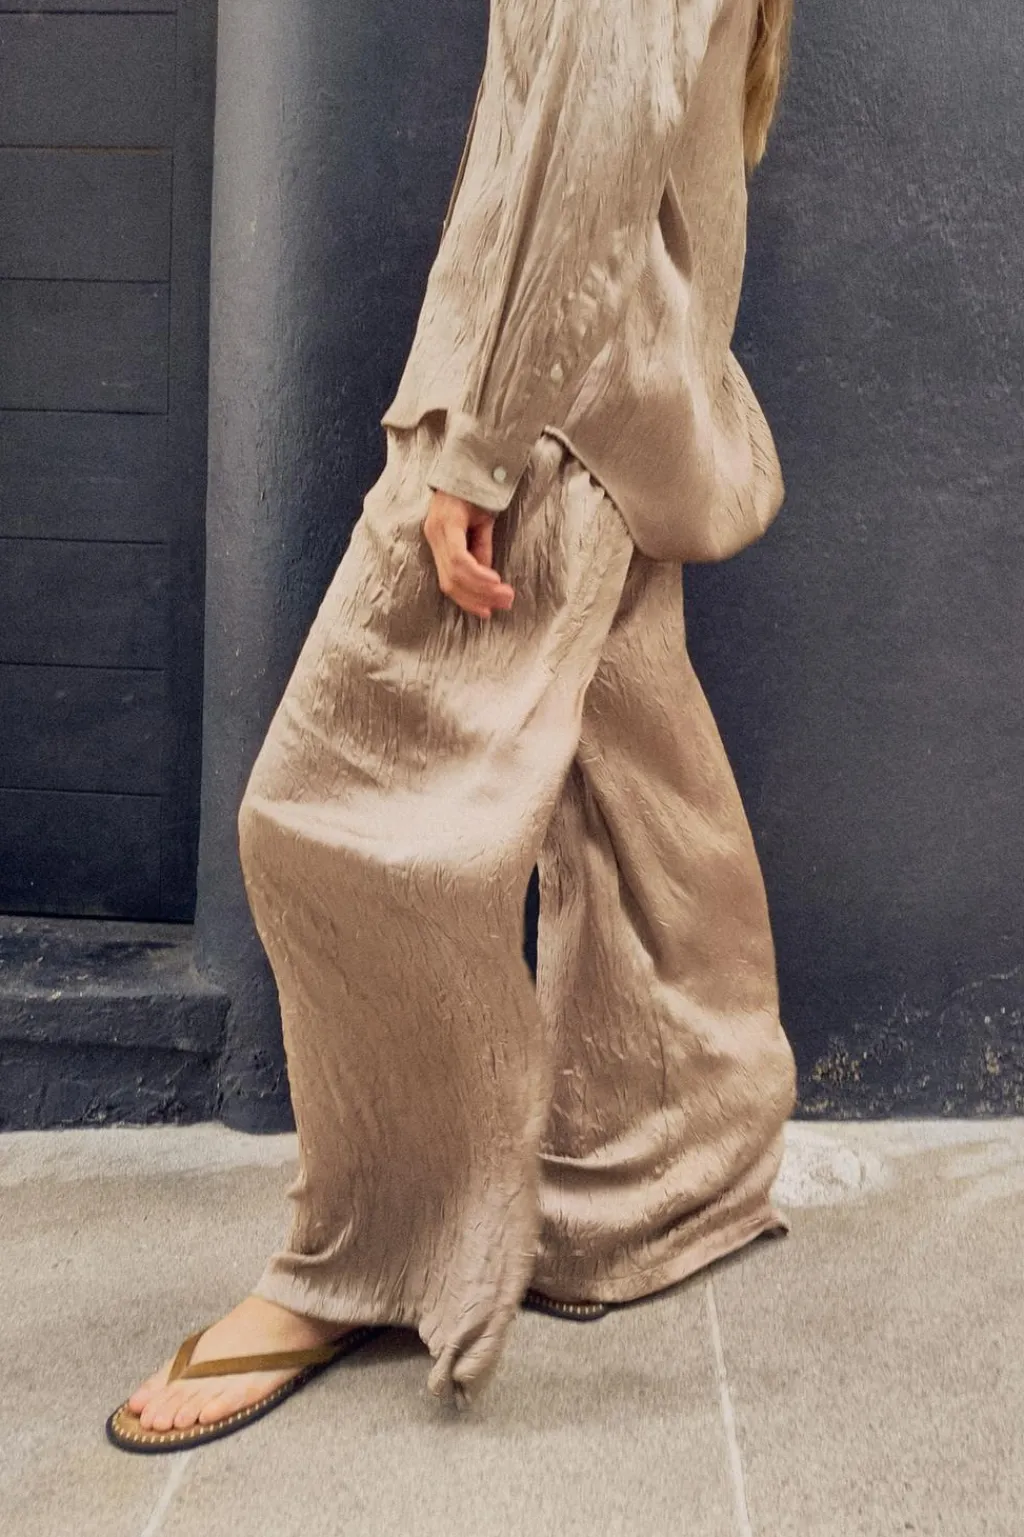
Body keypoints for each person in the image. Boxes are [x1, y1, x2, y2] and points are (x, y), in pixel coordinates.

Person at [107, 0, 797, 1453]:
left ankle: (367, 1253)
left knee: (321, 818)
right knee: (633, 799)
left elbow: (591, 144)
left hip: (542, 423)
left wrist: (476, 447)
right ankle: (668, 1187)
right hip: (606, 400)